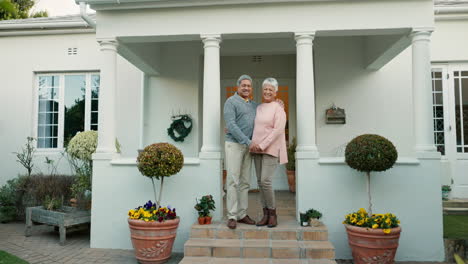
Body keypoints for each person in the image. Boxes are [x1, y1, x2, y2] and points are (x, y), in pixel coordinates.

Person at [249, 77, 287, 228]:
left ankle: (273, 213)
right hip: (256, 149)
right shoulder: (258, 108)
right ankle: (265, 214)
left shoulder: (279, 108)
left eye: (270, 89)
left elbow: (277, 130)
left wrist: (263, 145)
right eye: (265, 89)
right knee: (259, 182)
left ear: (276, 92)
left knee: (266, 180)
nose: (267, 91)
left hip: (270, 149)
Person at [223, 74, 257, 229]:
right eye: (244, 85)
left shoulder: (253, 105)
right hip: (235, 145)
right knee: (232, 181)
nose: (246, 88)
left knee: (245, 182)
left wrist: (278, 103)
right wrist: (248, 141)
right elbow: (231, 124)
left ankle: (242, 214)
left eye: (249, 86)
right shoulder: (231, 102)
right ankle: (232, 215)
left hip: (248, 147)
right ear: (238, 87)